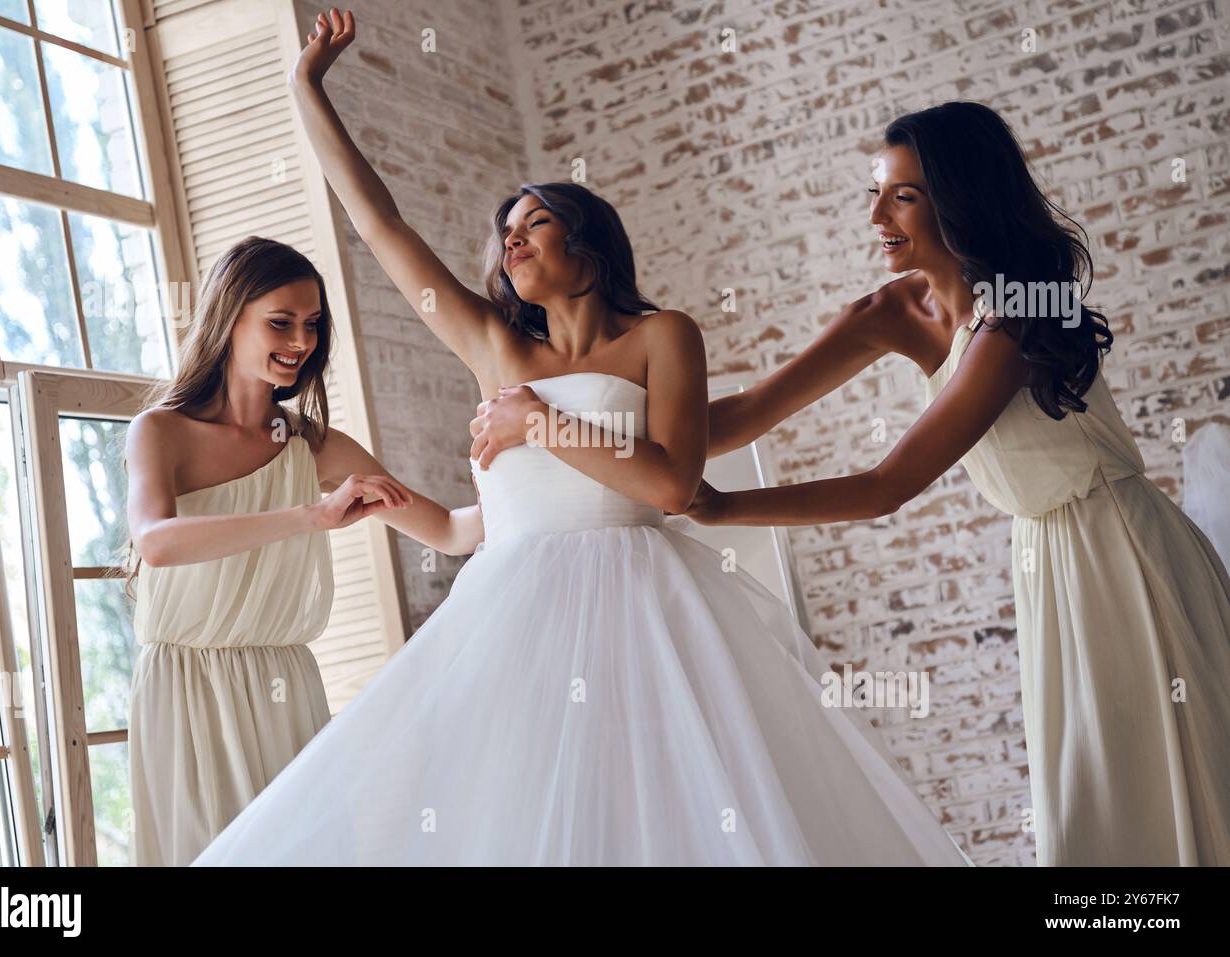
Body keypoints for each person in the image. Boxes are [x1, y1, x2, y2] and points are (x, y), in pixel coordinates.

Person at [188, 10, 969, 866]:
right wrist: (306, 87)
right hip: (512, 619)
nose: (512, 237)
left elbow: (672, 485)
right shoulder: (496, 346)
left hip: (651, 607)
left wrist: (538, 421)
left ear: (587, 238)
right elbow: (381, 227)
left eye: (534, 221)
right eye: (505, 232)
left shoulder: (664, 336)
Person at [687, 102, 1230, 866]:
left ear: (960, 198)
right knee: (1091, 810)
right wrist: (608, 424)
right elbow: (743, 414)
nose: (876, 214)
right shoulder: (888, 312)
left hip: (1124, 558)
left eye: (902, 194)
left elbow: (888, 484)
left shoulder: (1012, 319)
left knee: (1142, 796)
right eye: (875, 192)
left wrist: (720, 506)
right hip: (1047, 562)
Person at [125, 236, 483, 865]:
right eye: (281, 322)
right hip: (187, 690)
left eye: (312, 324)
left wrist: (547, 465)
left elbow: (451, 532)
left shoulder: (315, 445)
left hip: (284, 686)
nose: (301, 341)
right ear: (229, 318)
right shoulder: (160, 431)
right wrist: (309, 516)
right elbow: (155, 543)